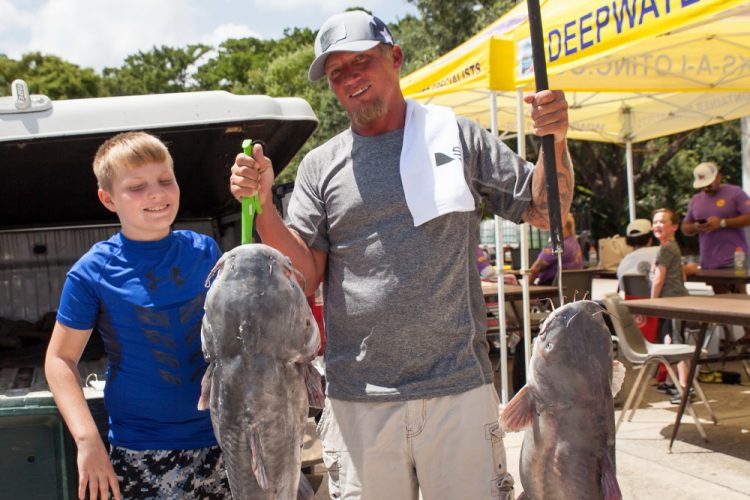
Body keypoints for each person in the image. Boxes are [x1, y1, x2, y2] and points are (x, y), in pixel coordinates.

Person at [230, 10, 573, 499]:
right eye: (336, 73)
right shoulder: (320, 166)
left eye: (361, 61)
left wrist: (555, 141)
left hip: (459, 387)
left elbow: (545, 211)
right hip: (358, 398)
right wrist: (263, 205)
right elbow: (303, 277)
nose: (350, 78)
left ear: (395, 57)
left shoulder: (457, 137)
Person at [45, 132, 228, 500]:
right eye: (136, 187)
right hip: (142, 451)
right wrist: (87, 442)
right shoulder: (91, 271)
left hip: (225, 440)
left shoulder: (206, 251)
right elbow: (60, 359)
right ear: (108, 199)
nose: (157, 194)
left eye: (165, 180)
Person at [682, 161, 750, 293]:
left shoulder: (735, 193)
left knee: (739, 296)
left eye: (709, 183)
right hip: (710, 259)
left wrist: (723, 223)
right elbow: (685, 228)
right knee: (720, 299)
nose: (706, 187)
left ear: (718, 176)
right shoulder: (696, 200)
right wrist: (696, 227)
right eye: (703, 185)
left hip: (735, 257)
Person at [650, 207, 692, 405]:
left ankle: (685, 386)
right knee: (669, 340)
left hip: (672, 301)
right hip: (672, 300)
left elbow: (659, 279)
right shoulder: (670, 246)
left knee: (676, 342)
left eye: (663, 221)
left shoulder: (666, 248)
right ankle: (670, 381)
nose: (658, 225)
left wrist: (651, 302)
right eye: (655, 221)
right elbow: (681, 273)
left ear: (674, 226)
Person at [528, 213, 583, 285]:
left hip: (552, 289)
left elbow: (535, 269)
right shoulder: (575, 244)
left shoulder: (557, 245)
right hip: (571, 289)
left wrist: (524, 290)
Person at [616, 218, 659, 290]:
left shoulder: (624, 261)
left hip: (632, 300)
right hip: (659, 300)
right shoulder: (661, 252)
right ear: (650, 239)